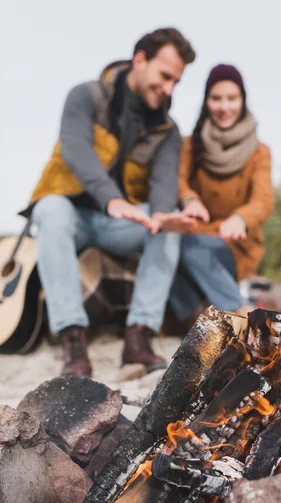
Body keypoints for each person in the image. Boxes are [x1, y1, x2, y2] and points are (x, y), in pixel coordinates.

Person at [22, 28, 196, 377]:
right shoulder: (85, 96)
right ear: (139, 60)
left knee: (169, 225)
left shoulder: (168, 131)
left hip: (119, 225)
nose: (168, 89)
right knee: (50, 210)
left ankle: (138, 338)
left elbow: (163, 187)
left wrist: (167, 216)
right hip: (72, 214)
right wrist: (111, 199)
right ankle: (73, 339)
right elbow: (76, 150)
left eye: (175, 82)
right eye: (165, 76)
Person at [169, 64, 274, 322]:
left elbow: (264, 199)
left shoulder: (259, 152)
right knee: (170, 247)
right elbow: (176, 181)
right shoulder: (189, 146)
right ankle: (198, 316)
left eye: (232, 98)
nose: (224, 107)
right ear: (206, 101)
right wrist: (188, 198)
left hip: (234, 246)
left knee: (186, 246)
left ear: (242, 101)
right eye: (216, 98)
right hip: (196, 234)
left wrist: (241, 217)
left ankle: (240, 311)